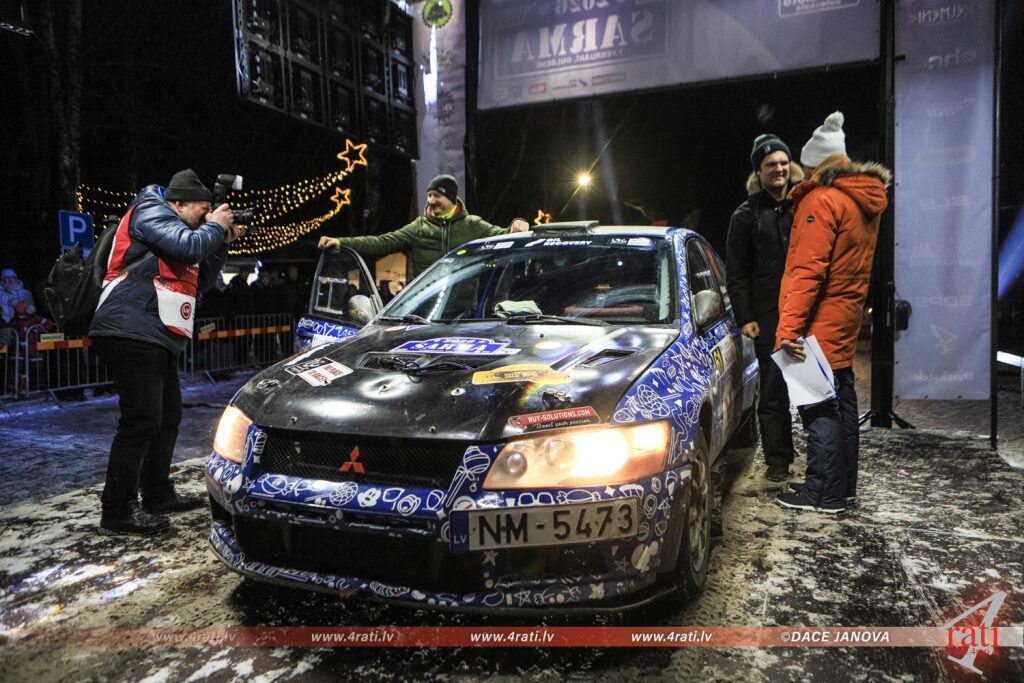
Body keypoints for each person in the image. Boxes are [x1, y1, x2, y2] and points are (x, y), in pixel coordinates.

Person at [88, 169, 243, 534]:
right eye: (202, 210)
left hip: (156, 332)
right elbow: (187, 247)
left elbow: (202, 279)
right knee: (141, 419)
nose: (205, 218)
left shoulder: (185, 230)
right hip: (129, 328)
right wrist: (215, 226)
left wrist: (221, 240)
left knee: (167, 417)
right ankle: (117, 509)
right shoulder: (150, 209)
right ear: (178, 203)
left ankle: (156, 493)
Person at [773, 112, 892, 514]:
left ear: (815, 163)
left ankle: (822, 493)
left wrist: (788, 331)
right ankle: (844, 486)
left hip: (816, 326)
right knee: (842, 402)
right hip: (843, 319)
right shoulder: (861, 199)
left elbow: (807, 271)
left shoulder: (821, 199)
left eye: (806, 166)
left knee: (817, 407)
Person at [725, 134, 804, 482]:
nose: (779, 169)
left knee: (812, 387)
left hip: (805, 312)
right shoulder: (745, 216)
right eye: (771, 164)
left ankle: (821, 458)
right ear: (759, 171)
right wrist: (746, 317)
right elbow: (736, 272)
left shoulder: (804, 205)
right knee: (773, 392)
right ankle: (778, 460)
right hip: (768, 315)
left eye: (784, 163)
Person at [317, 174, 530, 279]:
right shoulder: (418, 227)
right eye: (429, 195)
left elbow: (503, 236)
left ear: (451, 198)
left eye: (436, 195)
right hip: (425, 313)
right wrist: (341, 242)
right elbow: (381, 242)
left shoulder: (472, 225)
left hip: (462, 314)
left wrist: (517, 224)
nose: (430, 201)